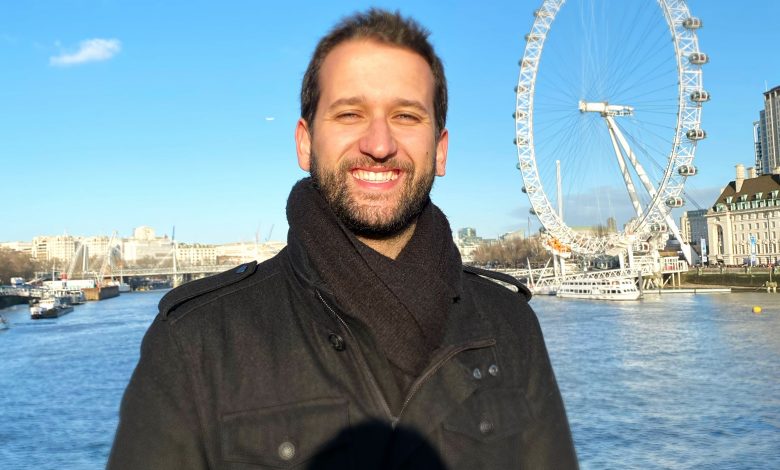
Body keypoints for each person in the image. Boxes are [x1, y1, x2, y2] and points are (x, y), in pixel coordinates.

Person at [108, 9, 578, 469]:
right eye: (350, 114)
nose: (379, 144)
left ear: (440, 150)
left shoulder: (511, 325)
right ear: (305, 143)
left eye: (406, 116)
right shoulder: (197, 342)